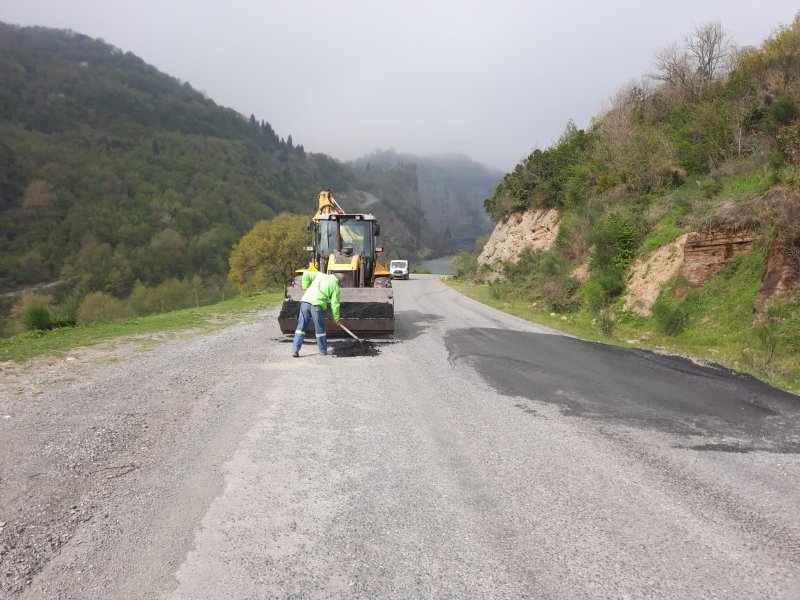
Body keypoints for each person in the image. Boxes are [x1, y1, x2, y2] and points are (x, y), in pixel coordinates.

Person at [291, 271, 343, 357]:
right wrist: (336, 318)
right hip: (317, 306)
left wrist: (305, 288)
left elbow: (306, 274)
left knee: (301, 327)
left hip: (305, 303)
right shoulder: (335, 286)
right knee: (320, 329)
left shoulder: (320, 275)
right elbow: (335, 305)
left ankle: (295, 350)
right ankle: (323, 351)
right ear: (339, 281)